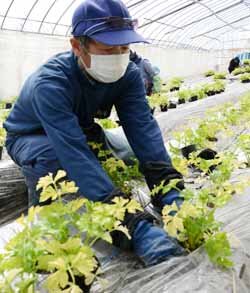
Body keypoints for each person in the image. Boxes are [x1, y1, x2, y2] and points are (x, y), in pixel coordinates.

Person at [3, 0, 184, 266]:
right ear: (77, 46)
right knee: (54, 160)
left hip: (83, 131)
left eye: (125, 48)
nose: (119, 56)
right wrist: (131, 221)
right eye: (108, 49)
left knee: (134, 151)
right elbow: (74, 152)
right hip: (32, 137)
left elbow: (142, 128)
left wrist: (169, 187)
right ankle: (48, 234)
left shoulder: (128, 75)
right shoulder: (50, 84)